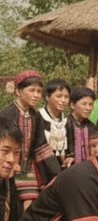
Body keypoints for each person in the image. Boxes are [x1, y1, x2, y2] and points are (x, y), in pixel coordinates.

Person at [0, 70, 60, 202]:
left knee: (30, 204)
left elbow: (41, 146)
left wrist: (58, 173)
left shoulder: (35, 116)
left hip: (26, 169)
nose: (36, 95)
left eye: (39, 91)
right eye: (32, 90)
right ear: (18, 91)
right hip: (7, 167)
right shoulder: (6, 114)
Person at [38, 80, 71, 165]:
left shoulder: (67, 120)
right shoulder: (38, 118)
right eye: (59, 96)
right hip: (42, 165)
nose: (63, 100)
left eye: (66, 97)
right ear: (47, 97)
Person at [64, 87, 98, 168]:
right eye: (84, 104)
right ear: (72, 105)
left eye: (90, 104)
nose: (88, 108)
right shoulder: (64, 125)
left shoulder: (92, 127)